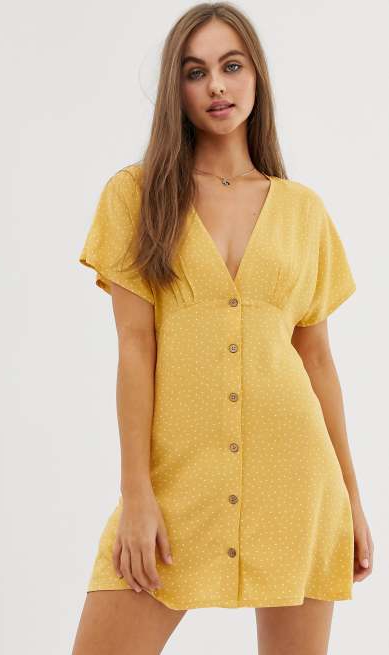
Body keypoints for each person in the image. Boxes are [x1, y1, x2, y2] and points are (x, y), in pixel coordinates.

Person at [72, 3, 374, 654]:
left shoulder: (303, 210)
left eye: (231, 66)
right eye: (195, 71)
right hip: (178, 479)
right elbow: (134, 347)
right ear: (175, 88)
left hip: (294, 478)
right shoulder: (136, 196)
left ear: (256, 76)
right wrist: (135, 494)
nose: (216, 85)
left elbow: (317, 360)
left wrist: (351, 498)